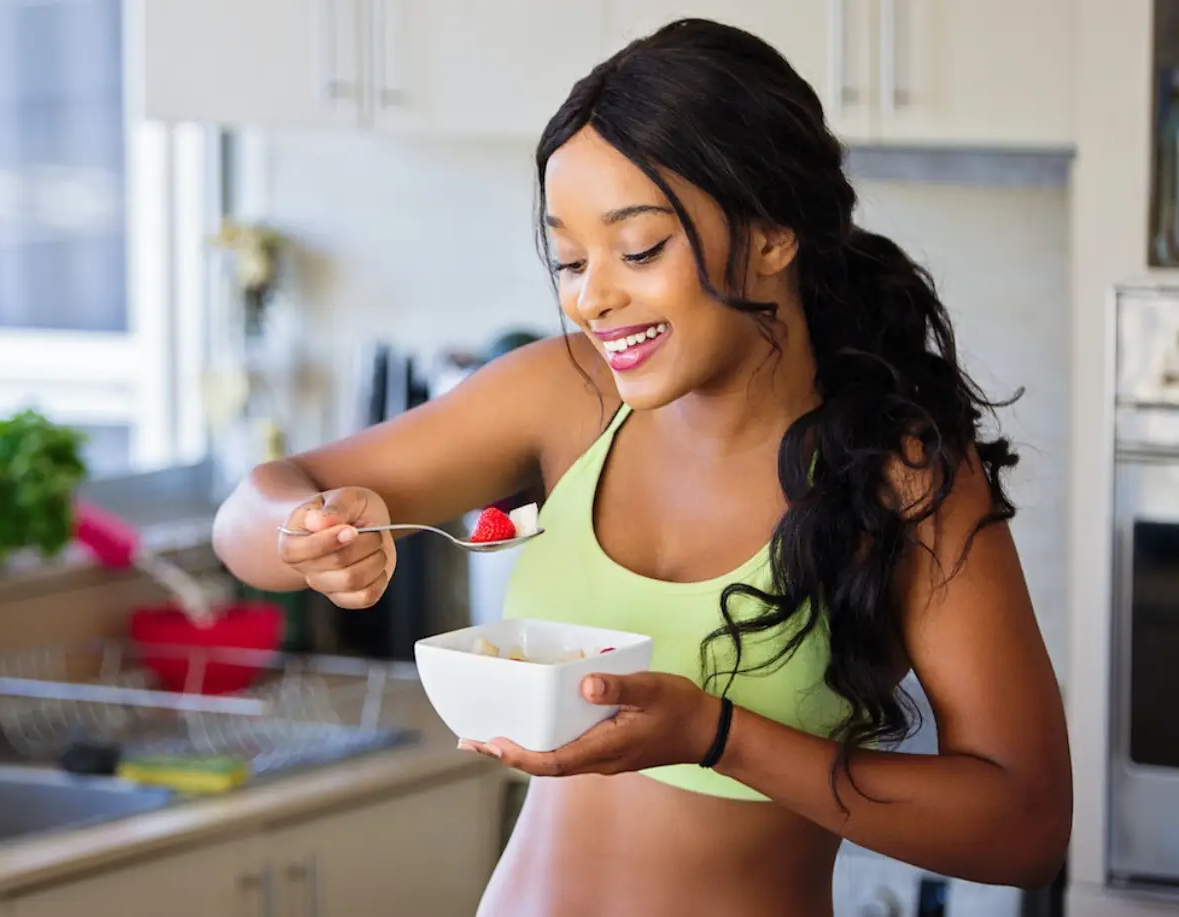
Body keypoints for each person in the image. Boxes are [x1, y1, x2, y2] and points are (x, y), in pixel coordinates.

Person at [212, 18, 1072, 917]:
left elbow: (1027, 825)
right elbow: (253, 508)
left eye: (640, 249)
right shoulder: (566, 395)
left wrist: (717, 736)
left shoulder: (899, 477)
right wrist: (299, 535)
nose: (593, 298)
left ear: (773, 233)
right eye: (571, 259)